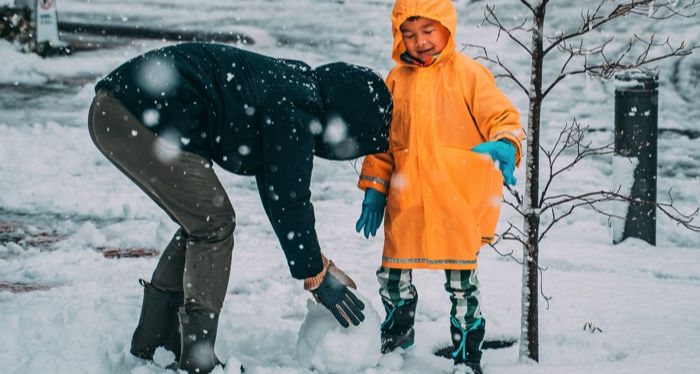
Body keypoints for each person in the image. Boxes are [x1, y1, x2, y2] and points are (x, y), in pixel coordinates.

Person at [87, 42, 393, 374]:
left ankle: (155, 341)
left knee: (201, 222)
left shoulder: (295, 90)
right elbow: (289, 198)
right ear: (346, 122)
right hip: (131, 112)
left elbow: (278, 191)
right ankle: (198, 359)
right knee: (212, 224)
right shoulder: (297, 109)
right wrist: (314, 276)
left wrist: (315, 265)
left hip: (119, 108)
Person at [354, 1, 523, 373]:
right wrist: (375, 188)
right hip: (407, 199)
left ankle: (467, 356)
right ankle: (398, 334)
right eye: (409, 34)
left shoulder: (469, 75)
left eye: (428, 31)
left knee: (462, 285)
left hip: (454, 201)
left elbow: (502, 117)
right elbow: (383, 143)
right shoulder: (396, 80)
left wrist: (507, 144)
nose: (420, 42)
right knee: (391, 276)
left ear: (447, 27)